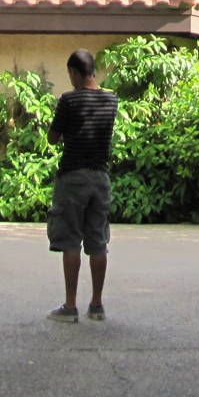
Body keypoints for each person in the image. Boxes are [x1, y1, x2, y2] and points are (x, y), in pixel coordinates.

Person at [45, 48, 118, 322]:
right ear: (94, 71)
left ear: (75, 73)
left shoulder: (68, 100)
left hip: (72, 176)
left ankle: (70, 305)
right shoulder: (111, 100)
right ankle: (97, 305)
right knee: (98, 241)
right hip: (100, 176)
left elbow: (53, 138)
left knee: (71, 240)